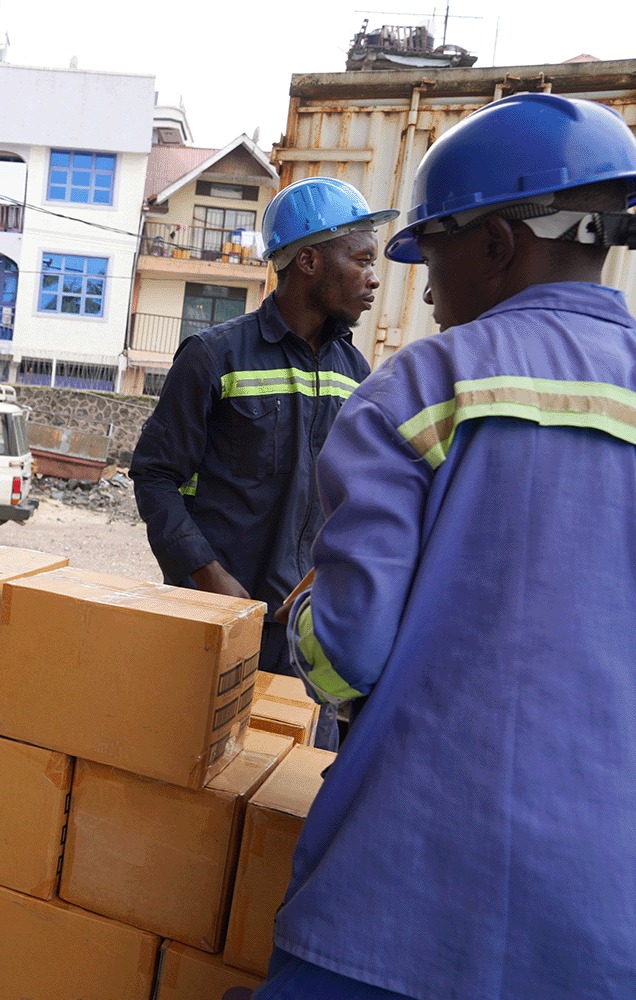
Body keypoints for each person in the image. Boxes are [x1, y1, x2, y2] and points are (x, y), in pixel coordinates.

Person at [257, 93, 636, 998]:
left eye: (431, 256)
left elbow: (347, 653)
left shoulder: (418, 385)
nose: (423, 291)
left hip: (399, 899)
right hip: (601, 926)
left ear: (499, 245)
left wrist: (303, 612)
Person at [129, 177, 396, 749]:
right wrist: (209, 576)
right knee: (202, 772)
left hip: (305, 636)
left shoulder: (357, 375)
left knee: (281, 783)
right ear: (308, 261)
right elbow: (155, 476)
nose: (374, 277)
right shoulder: (213, 357)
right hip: (219, 619)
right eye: (361, 260)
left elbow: (358, 502)